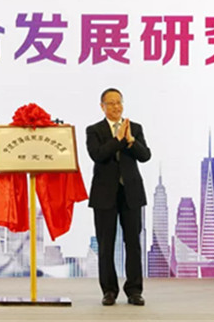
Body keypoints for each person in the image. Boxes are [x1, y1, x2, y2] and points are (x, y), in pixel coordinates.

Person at [86, 88, 151, 306]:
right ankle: (109, 291)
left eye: (119, 102)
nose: (116, 107)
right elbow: (98, 155)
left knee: (133, 243)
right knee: (106, 245)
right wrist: (118, 139)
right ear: (102, 106)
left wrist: (131, 140)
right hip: (104, 194)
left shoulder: (135, 128)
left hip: (131, 193)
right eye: (111, 103)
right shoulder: (94, 130)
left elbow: (145, 156)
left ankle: (134, 290)